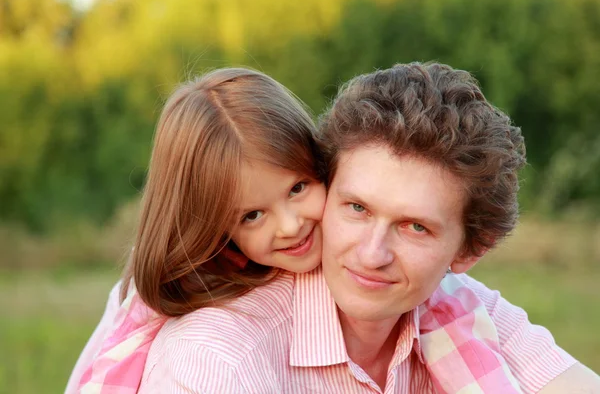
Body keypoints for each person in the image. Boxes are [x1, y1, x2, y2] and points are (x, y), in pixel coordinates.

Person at [136, 62, 600, 393]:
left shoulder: (462, 311)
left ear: (469, 252)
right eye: (356, 208)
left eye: (415, 227)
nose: (371, 253)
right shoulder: (218, 360)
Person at [65, 67, 327, 393]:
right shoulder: (153, 309)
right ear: (214, 230)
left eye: (298, 187)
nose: (290, 225)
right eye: (253, 215)